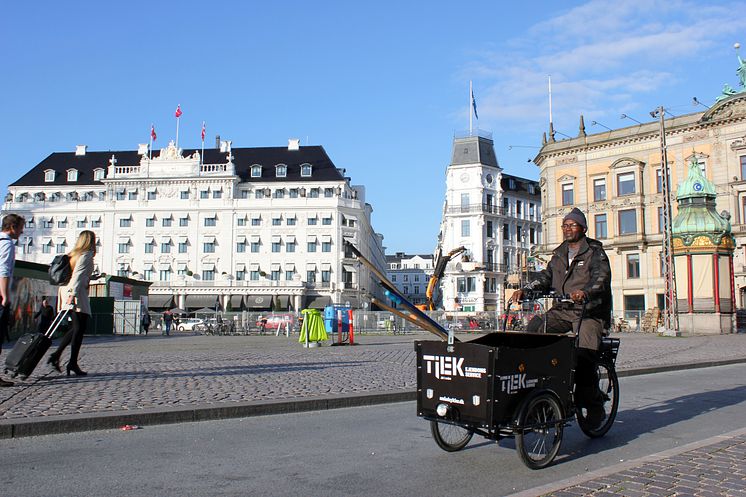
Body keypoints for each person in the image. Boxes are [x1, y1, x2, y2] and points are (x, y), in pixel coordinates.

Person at [511, 207, 612, 428]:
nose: (567, 229)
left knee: (584, 354)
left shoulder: (595, 252)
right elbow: (545, 278)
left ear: (583, 228)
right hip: (562, 310)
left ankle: (594, 405)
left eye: (572, 225)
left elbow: (601, 279)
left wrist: (585, 292)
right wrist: (525, 290)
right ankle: (542, 393)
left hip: (589, 312)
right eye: (564, 225)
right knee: (534, 330)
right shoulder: (558, 254)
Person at [47, 230, 96, 377]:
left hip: (67, 290)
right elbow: (78, 276)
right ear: (90, 241)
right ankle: (69, 361)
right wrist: (72, 296)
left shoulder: (73, 254)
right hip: (76, 293)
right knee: (79, 328)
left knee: (76, 328)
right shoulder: (86, 255)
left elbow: (77, 274)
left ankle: (59, 356)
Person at [0, 214, 25, 387]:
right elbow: (4, 271)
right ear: (13, 227)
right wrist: (5, 295)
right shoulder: (7, 244)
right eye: (21, 228)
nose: (22, 232)